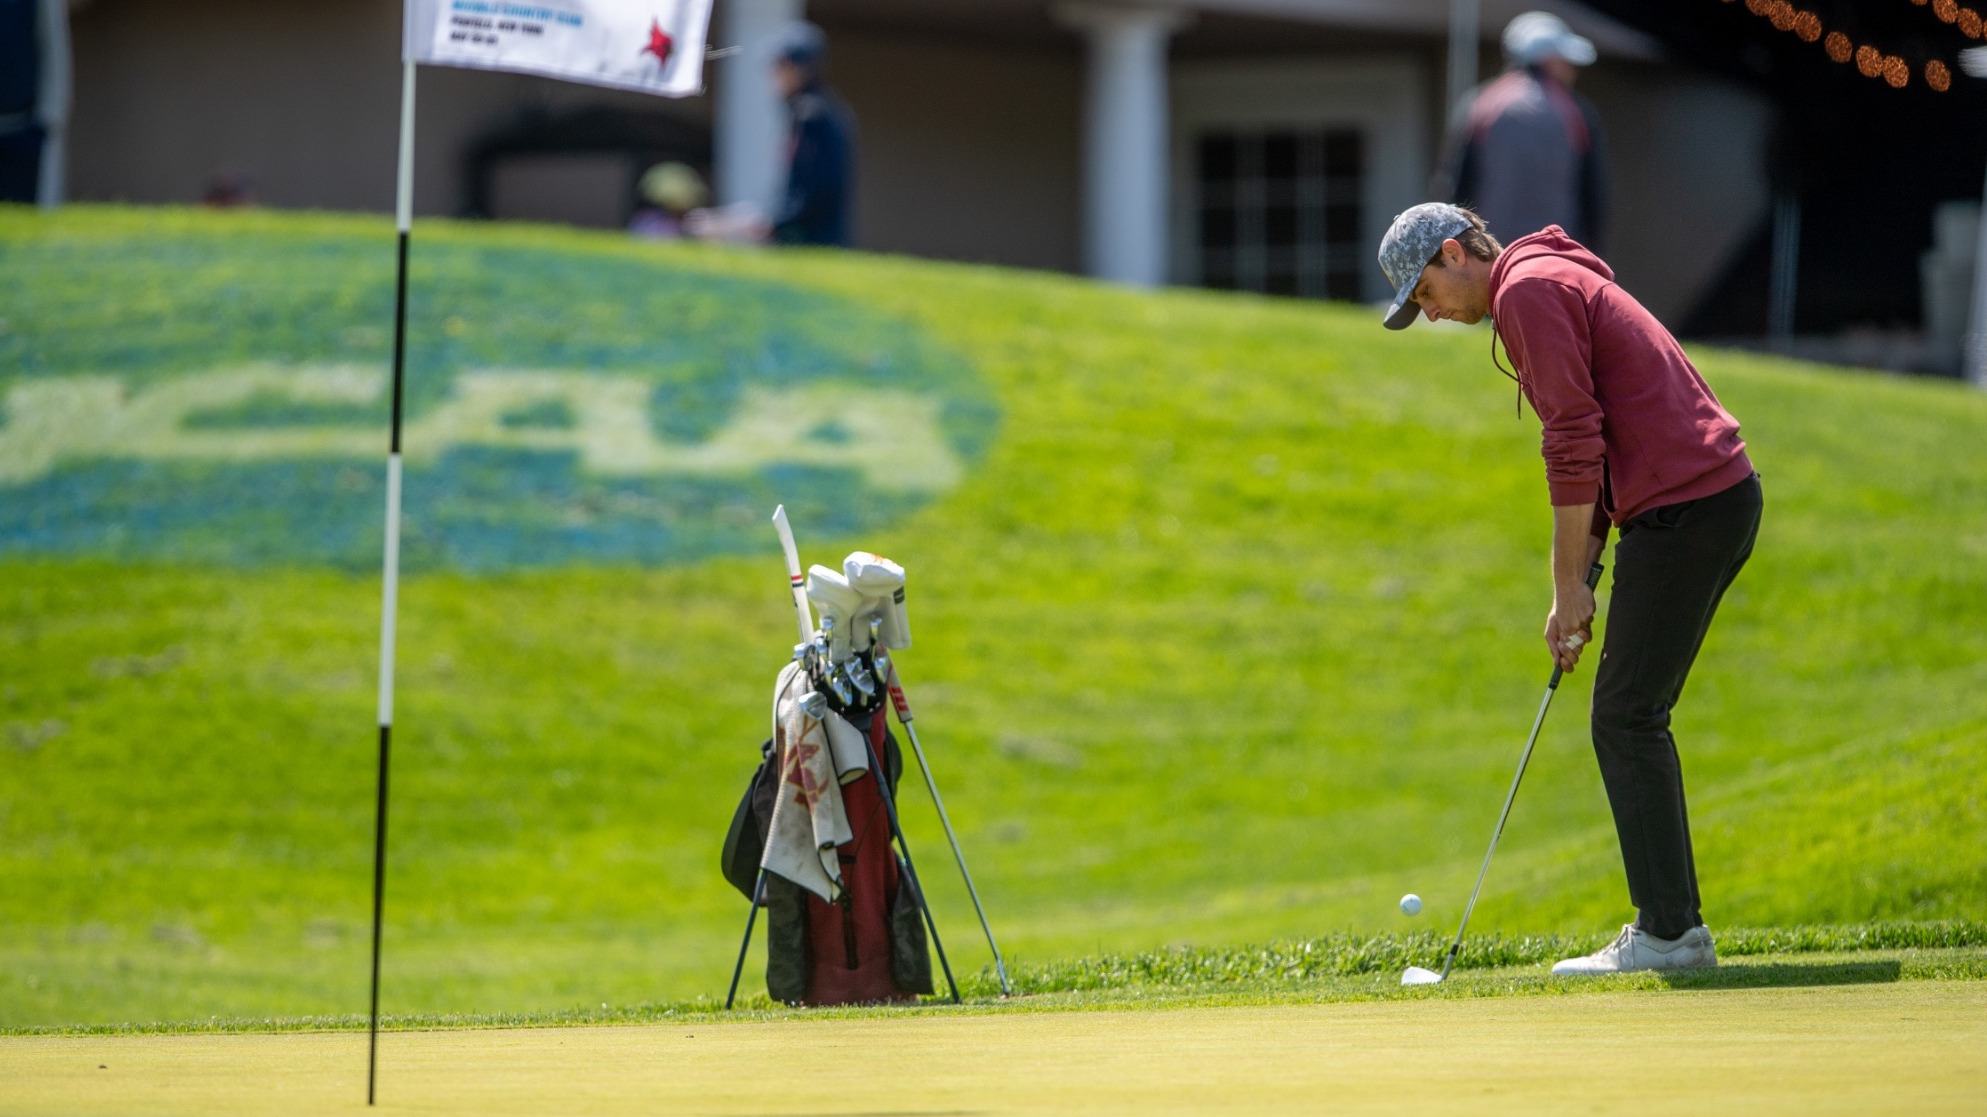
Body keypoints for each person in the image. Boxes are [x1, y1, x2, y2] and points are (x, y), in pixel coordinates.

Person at [1376, 202, 1762, 975]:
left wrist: (1563, 582)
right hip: (1699, 500)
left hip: (1686, 505)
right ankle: (1670, 929)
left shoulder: (1525, 292)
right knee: (1630, 712)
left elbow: (1573, 437)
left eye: (1424, 293)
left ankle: (1669, 935)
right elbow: (1602, 443)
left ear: (1453, 253)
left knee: (1626, 715)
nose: (1433, 314)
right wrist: (1578, 579)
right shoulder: (1543, 279)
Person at [1436, 11, 1608, 251]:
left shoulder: (1481, 106)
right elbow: (1593, 195)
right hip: (1557, 258)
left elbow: (1455, 187)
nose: (1572, 71)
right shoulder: (1575, 113)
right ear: (1549, 60)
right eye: (1566, 61)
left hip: (1493, 258)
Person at [768, 21, 854, 247]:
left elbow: (810, 193)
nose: (775, 75)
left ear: (801, 68)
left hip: (812, 242)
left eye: (781, 65)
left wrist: (771, 223)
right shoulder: (822, 111)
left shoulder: (812, 115)